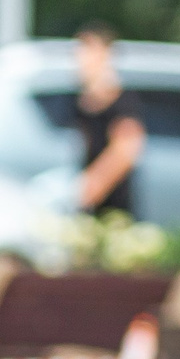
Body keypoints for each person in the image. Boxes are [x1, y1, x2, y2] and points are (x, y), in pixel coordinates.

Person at [72, 23, 146, 218]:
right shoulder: (82, 101)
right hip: (88, 207)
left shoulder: (123, 102)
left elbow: (127, 150)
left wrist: (94, 184)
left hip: (114, 205)